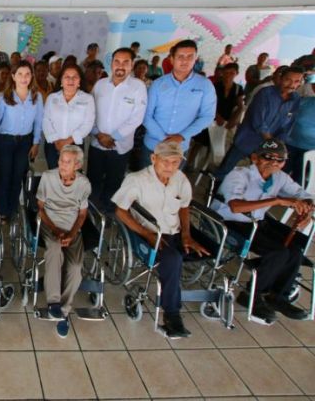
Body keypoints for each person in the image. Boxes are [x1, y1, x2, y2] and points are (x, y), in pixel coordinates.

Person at [112, 141, 209, 339]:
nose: (170, 167)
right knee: (172, 259)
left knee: (207, 249)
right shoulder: (136, 180)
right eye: (165, 161)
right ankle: (172, 315)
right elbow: (120, 211)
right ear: (153, 158)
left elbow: (184, 207)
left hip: (175, 232)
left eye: (175, 162)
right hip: (148, 234)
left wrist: (186, 235)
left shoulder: (180, 178)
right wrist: (146, 233)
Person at [211, 139, 314, 323]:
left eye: (280, 159)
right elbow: (235, 207)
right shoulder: (239, 174)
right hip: (230, 222)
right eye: (268, 157)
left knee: (296, 249)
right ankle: (251, 295)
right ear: (255, 158)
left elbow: (304, 195)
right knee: (278, 252)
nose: (274, 162)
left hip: (257, 222)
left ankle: (278, 296)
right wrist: (277, 200)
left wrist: (307, 210)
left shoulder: (280, 177)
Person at [36, 145, 91, 338]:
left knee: (75, 266)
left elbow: (82, 214)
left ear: (78, 165)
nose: (61, 164)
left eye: (67, 162)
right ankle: (54, 302)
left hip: (72, 226)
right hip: (50, 223)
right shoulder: (48, 177)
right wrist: (55, 230)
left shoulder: (84, 183)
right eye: (61, 160)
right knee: (54, 248)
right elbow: (40, 208)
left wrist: (72, 234)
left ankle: (64, 312)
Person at [213, 67, 304, 181]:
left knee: (257, 177)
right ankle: (215, 190)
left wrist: (277, 144)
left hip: (268, 147)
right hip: (247, 140)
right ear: (280, 78)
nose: (291, 85)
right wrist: (271, 143)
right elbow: (258, 121)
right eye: (288, 80)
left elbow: (288, 125)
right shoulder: (266, 93)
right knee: (225, 171)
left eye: (296, 81)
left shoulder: (296, 99)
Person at [88, 48, 148, 214]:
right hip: (97, 143)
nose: (120, 66)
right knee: (93, 181)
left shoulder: (138, 87)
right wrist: (98, 134)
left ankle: (108, 215)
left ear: (132, 65)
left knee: (113, 184)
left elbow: (137, 118)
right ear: (112, 63)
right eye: (117, 61)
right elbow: (90, 112)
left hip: (120, 146)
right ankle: (91, 214)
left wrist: (112, 137)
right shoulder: (100, 84)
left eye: (125, 62)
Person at [141, 39, 217, 168]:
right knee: (145, 179)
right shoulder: (158, 84)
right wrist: (164, 138)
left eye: (190, 57)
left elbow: (207, 116)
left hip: (179, 148)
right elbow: (145, 114)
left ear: (195, 59)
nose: (185, 61)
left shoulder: (205, 85)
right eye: (180, 56)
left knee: (172, 180)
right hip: (153, 145)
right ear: (172, 59)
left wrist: (181, 137)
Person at [0, 61, 43, 218]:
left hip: (25, 142)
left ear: (32, 76)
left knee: (17, 177)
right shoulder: (4, 97)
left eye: (27, 74)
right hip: (5, 141)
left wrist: (36, 143)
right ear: (13, 76)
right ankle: (3, 211)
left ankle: (13, 208)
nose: (24, 78)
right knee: (5, 176)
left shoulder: (36, 97)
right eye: (20, 74)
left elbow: (38, 122)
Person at [188, 63, 244, 167]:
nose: (228, 75)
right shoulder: (215, 86)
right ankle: (189, 164)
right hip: (209, 118)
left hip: (225, 122)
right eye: (226, 72)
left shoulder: (238, 89)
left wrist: (233, 121)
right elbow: (208, 103)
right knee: (199, 143)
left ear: (237, 73)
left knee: (215, 145)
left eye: (232, 73)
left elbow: (240, 106)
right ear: (223, 73)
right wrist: (217, 116)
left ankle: (205, 167)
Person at [42, 63, 95, 169]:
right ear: (61, 81)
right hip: (53, 145)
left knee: (72, 176)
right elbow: (46, 120)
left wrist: (68, 141)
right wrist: (57, 141)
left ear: (79, 81)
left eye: (75, 77)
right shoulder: (52, 98)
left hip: (75, 145)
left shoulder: (88, 99)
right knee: (54, 174)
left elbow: (88, 123)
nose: (71, 80)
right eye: (67, 77)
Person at [285, 95, 315, 183]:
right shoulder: (304, 101)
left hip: (311, 150)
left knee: (300, 179)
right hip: (289, 144)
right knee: (279, 174)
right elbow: (287, 117)